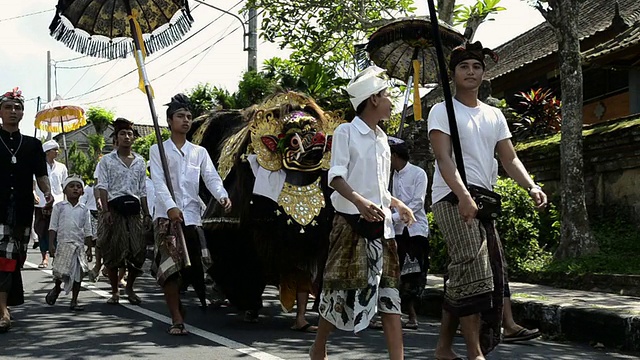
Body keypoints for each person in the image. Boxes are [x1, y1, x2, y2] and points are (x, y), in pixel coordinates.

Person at [427, 42, 547, 360]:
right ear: (452, 74)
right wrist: (464, 196)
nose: (471, 72)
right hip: (452, 197)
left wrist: (531, 186)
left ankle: (442, 348)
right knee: (475, 267)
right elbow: (443, 159)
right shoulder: (442, 110)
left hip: (483, 200)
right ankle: (474, 351)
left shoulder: (494, 114)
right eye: (464, 66)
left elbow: (509, 158)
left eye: (476, 66)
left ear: (484, 73)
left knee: (476, 271)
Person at [309, 66, 416, 360]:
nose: (391, 102)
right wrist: (358, 202)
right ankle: (319, 347)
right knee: (340, 292)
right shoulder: (346, 132)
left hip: (382, 229)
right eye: (386, 96)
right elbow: (336, 177)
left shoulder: (383, 139)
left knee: (390, 294)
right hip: (350, 225)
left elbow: (379, 188)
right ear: (372, 100)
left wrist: (396, 203)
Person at [150, 94, 232, 336]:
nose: (185, 120)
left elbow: (211, 177)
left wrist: (222, 195)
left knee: (192, 266)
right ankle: (176, 317)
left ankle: (183, 303)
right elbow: (158, 181)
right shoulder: (158, 150)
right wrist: (169, 206)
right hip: (167, 217)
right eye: (180, 116)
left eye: (188, 116)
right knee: (171, 269)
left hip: (192, 217)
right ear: (169, 121)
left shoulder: (199, 152)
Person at [0, 87, 52, 333]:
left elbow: (41, 175)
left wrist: (48, 192)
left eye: (18, 108)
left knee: (14, 259)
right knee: (4, 258)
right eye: (8, 107)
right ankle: (3, 311)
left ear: (23, 113)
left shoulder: (33, 144)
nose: (13, 111)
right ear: (0, 111)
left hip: (21, 210)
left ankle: (5, 304)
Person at [96, 118, 150, 305]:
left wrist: (147, 213)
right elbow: (102, 186)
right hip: (114, 209)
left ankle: (130, 287)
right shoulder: (107, 161)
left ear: (133, 138)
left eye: (129, 134)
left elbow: (142, 189)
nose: (126, 137)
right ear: (116, 138)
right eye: (122, 134)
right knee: (113, 250)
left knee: (138, 251)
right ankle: (114, 291)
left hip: (134, 211)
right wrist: (105, 211)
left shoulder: (140, 162)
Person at [389, 137, 430, 330]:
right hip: (396, 231)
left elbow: (417, 202)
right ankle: (395, 312)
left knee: (413, 273)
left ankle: (412, 315)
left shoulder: (418, 173)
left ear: (395, 156)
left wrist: (394, 217)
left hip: (415, 229)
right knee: (396, 271)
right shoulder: (390, 177)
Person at [46, 175, 92, 311]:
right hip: (63, 244)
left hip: (78, 246)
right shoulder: (59, 207)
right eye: (71, 186)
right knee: (60, 272)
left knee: (78, 274)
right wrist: (51, 245)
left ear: (82, 191)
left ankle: (74, 300)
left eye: (78, 187)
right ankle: (57, 287)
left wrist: (89, 248)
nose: (75, 189)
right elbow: (53, 227)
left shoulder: (84, 209)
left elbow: (88, 229)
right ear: (64, 190)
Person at [34, 139, 67, 268]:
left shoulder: (61, 167)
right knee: (41, 230)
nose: (57, 152)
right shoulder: (39, 166)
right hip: (42, 202)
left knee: (57, 231)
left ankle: (57, 258)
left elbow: (65, 186)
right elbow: (34, 182)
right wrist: (34, 193)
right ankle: (44, 258)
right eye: (54, 150)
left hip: (58, 203)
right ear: (47, 152)